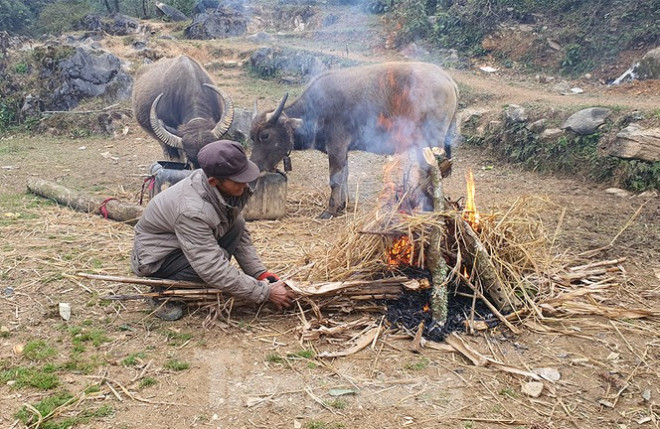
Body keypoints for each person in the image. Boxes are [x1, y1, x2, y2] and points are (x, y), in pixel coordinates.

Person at [131, 140, 293, 320]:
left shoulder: (222, 186)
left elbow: (240, 237)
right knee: (217, 260)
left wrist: (260, 273)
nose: (245, 184)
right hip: (158, 259)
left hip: (182, 244)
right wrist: (264, 292)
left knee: (237, 223)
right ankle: (163, 290)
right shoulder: (192, 210)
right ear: (214, 181)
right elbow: (211, 266)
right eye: (238, 180)